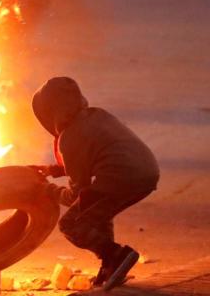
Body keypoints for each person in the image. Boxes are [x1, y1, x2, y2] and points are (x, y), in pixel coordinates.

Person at [30, 77, 159, 291]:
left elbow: (76, 195)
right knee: (97, 214)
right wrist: (54, 170)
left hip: (120, 176)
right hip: (147, 172)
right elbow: (93, 156)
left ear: (50, 113)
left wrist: (48, 190)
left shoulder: (69, 137)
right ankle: (111, 266)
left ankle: (116, 255)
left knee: (72, 224)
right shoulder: (96, 115)